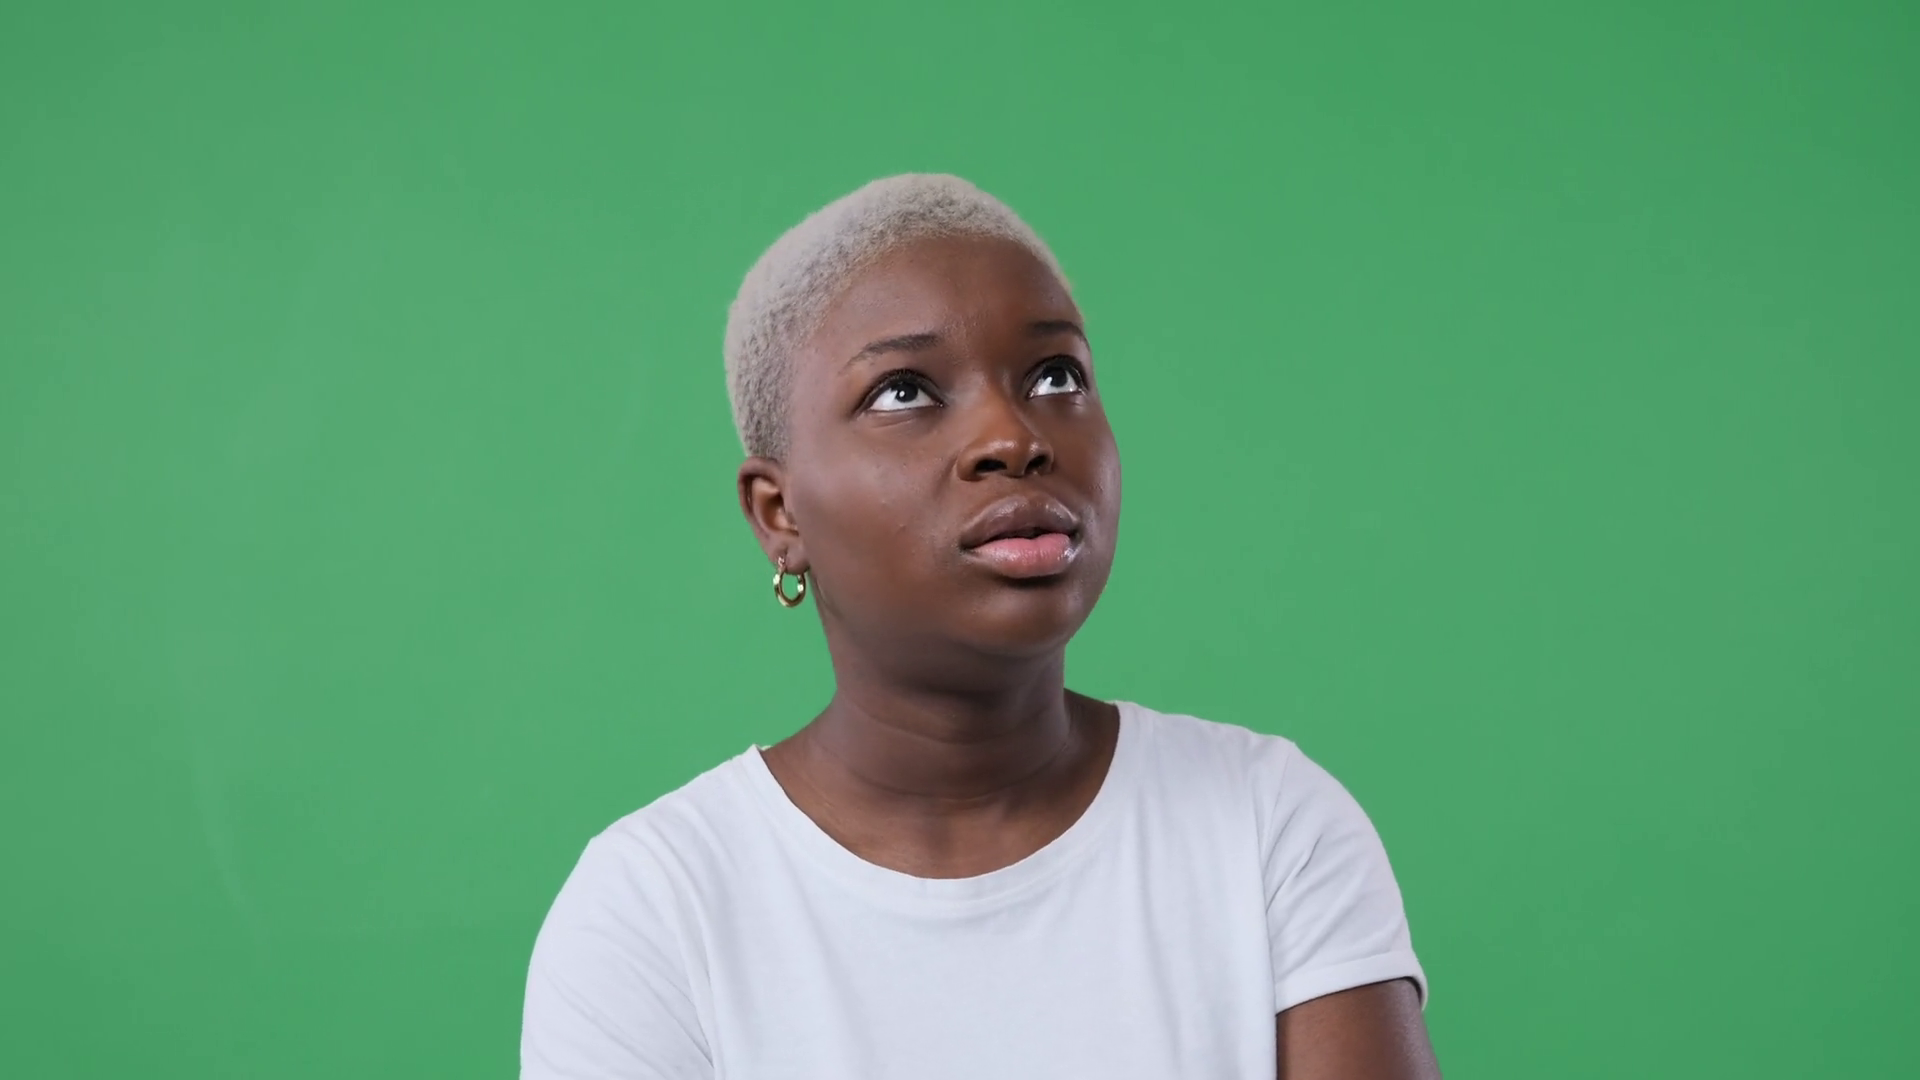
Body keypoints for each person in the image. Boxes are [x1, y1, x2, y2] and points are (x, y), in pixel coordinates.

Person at [520, 174, 1441, 1079]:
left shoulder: (1268, 828)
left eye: (1055, 375)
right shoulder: (654, 912)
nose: (1014, 437)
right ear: (779, 513)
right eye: (903, 392)